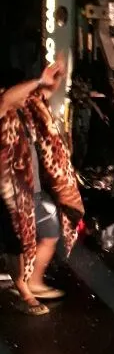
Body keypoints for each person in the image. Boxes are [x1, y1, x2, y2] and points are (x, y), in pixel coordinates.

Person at [0, 56, 84, 315]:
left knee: (49, 232)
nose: (29, 95)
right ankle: (24, 292)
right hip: (11, 195)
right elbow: (6, 100)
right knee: (18, 243)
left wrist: (57, 75)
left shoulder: (26, 109)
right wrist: (37, 80)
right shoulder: (3, 110)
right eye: (23, 90)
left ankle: (32, 281)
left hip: (33, 190)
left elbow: (46, 91)